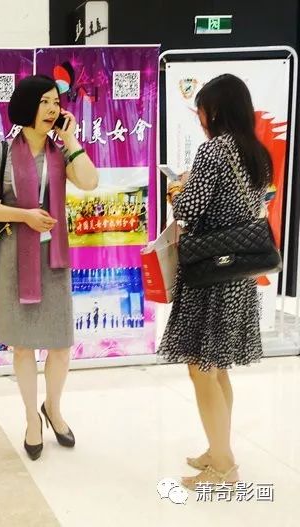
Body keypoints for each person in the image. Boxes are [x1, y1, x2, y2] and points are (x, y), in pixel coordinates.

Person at [0, 75, 98, 460]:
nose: (52, 109)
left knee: (60, 345)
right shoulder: (1, 152)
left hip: (54, 260)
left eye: (56, 102)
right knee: (24, 346)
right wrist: (24, 215)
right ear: (27, 106)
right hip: (15, 260)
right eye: (44, 102)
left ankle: (53, 409)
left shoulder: (61, 153)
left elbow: (90, 181)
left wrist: (72, 139)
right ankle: (31, 417)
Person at [160, 74, 272, 489]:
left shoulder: (213, 151)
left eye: (203, 110)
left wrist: (179, 187)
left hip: (209, 273)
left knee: (201, 368)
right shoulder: (255, 154)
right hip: (237, 273)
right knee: (217, 366)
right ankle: (218, 448)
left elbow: (189, 210)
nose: (200, 117)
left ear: (217, 111)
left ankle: (223, 465)